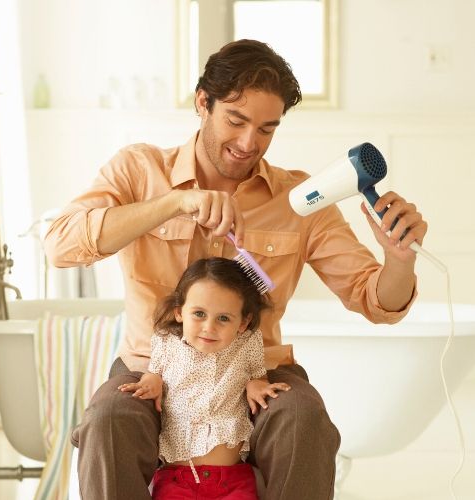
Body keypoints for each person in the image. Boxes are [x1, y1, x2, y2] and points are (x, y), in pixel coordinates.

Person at [44, 39, 427, 500]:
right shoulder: (138, 169)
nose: (250, 144)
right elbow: (60, 245)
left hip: (259, 374)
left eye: (267, 129)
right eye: (236, 120)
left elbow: (375, 300)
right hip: (152, 372)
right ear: (202, 103)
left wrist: (399, 260)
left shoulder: (301, 198)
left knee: (303, 417)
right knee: (107, 420)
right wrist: (172, 204)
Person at [118, 256, 291, 499]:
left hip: (232, 480)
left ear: (243, 322)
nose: (209, 327)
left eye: (223, 318)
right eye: (199, 313)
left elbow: (257, 376)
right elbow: (154, 374)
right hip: (177, 477)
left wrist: (256, 385)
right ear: (179, 313)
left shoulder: (246, 344)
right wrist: (151, 381)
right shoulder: (166, 342)